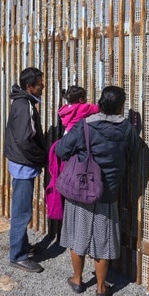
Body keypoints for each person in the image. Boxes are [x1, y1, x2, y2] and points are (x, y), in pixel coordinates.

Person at [55, 85, 142, 296]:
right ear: (121, 106)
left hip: (82, 190)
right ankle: (101, 288)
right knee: (103, 241)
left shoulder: (86, 125)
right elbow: (134, 156)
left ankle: (77, 280)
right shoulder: (127, 129)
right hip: (108, 193)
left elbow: (61, 150)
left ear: (101, 102)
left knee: (78, 235)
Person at [4, 67, 47, 273]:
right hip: (23, 164)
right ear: (29, 87)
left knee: (21, 209)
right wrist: (41, 156)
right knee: (22, 212)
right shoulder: (25, 106)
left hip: (19, 162)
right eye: (39, 83)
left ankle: (21, 247)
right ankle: (18, 256)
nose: (43, 86)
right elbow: (25, 139)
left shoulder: (21, 102)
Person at [45, 86, 99, 236]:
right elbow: (97, 108)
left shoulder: (64, 110)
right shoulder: (82, 108)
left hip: (66, 137)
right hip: (77, 140)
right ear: (81, 99)